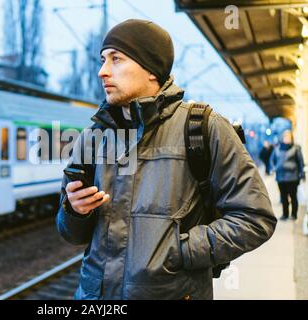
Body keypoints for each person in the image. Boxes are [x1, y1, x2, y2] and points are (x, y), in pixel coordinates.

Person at [56, 19, 277, 300]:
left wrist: (177, 250)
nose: (102, 71)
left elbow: (255, 218)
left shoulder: (204, 128)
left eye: (116, 59)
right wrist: (75, 211)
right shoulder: (93, 136)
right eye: (102, 60)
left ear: (151, 69)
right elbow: (71, 234)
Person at [270, 130, 305, 220]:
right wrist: (274, 168)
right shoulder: (277, 149)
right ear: (282, 138)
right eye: (285, 137)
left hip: (292, 177)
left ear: (291, 138)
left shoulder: (296, 148)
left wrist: (302, 174)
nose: (287, 138)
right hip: (281, 177)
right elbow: (272, 160)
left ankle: (293, 214)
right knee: (283, 197)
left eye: (288, 137)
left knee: (293, 196)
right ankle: (285, 214)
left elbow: (300, 162)